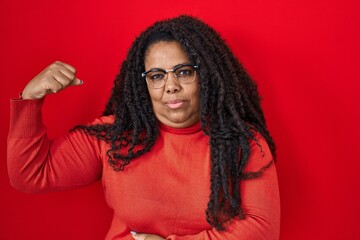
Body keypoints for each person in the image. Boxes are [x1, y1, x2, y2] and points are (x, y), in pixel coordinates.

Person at [7, 15, 280, 240]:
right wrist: (31, 99)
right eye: (157, 76)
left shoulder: (242, 142)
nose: (171, 85)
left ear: (206, 75)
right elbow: (31, 173)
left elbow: (261, 230)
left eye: (184, 72)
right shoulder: (113, 137)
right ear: (144, 84)